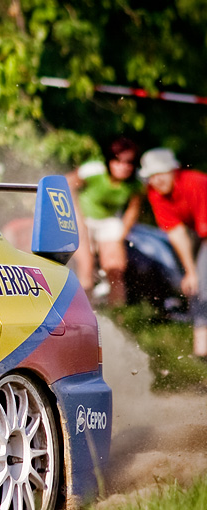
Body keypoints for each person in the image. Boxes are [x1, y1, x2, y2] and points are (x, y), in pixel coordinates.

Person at [141, 147, 207, 358]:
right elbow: (177, 233)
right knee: (196, 283)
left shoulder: (195, 182)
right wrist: (190, 272)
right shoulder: (156, 193)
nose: (157, 180)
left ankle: (202, 346)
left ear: (174, 171)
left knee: (203, 284)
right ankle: (201, 350)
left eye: (161, 173)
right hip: (202, 233)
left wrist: (198, 274)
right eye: (152, 176)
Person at [67, 137, 143, 305]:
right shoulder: (94, 170)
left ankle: (118, 315)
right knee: (85, 264)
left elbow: (133, 209)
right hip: (82, 217)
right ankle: (83, 310)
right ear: (110, 159)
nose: (123, 166)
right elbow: (65, 185)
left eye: (129, 162)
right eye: (118, 160)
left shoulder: (136, 183)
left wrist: (120, 235)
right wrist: (74, 218)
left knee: (115, 268)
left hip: (109, 221)